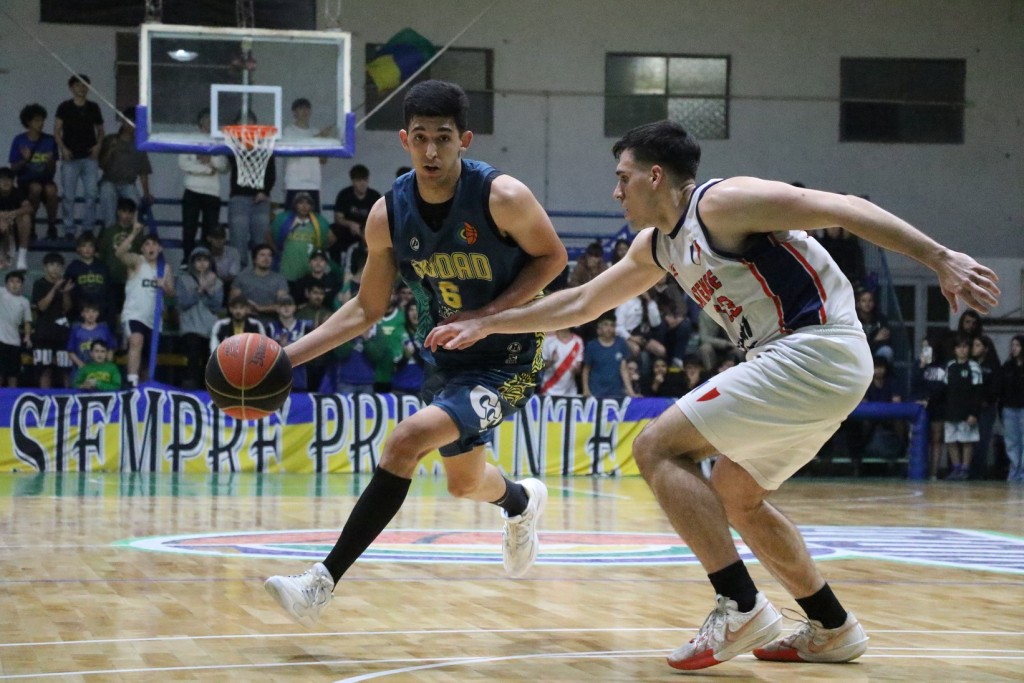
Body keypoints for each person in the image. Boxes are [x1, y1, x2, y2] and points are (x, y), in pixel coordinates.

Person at [426, 119, 1000, 670]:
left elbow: (842, 208)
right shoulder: (658, 245)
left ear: (655, 177)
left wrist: (940, 257)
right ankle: (832, 626)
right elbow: (582, 304)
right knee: (736, 492)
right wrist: (489, 321)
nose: (615, 191)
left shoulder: (723, 203)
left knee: (655, 448)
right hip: (809, 364)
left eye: (623, 178)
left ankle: (741, 605)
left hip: (814, 346)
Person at [263, 80, 567, 627]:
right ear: (404, 140)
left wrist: (487, 317)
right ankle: (521, 503)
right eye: (421, 138)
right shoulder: (387, 214)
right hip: (449, 361)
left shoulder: (503, 197)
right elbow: (365, 309)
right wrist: (286, 359)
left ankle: (320, 582)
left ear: (464, 140)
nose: (431, 151)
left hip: (510, 359)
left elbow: (552, 258)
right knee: (464, 483)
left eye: (443, 138)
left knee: (405, 440)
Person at [117, 227, 174, 387]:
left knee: (150, 354)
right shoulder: (137, 261)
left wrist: (164, 286)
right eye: (147, 244)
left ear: (160, 248)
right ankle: (132, 381)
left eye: (154, 244)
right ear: (142, 248)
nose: (151, 247)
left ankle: (146, 384)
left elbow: (170, 293)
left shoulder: (165, 268)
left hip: (154, 318)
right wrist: (134, 233)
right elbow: (119, 254)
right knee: (136, 341)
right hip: (134, 314)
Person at [54, 74, 104, 238]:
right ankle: (69, 229)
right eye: (78, 85)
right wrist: (63, 149)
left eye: (84, 85)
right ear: (71, 88)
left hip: (89, 157)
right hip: (70, 157)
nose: (81, 88)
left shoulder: (94, 107)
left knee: (91, 194)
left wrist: (98, 145)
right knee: (68, 196)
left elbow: (101, 130)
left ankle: (88, 228)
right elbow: (56, 131)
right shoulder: (64, 107)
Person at [178, 109, 228, 261]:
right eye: (206, 119)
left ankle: (205, 261)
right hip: (192, 190)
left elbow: (224, 165)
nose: (209, 122)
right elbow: (183, 164)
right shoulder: (190, 138)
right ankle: (187, 260)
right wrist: (208, 169)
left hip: (212, 192)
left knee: (210, 231)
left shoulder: (220, 141)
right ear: (200, 122)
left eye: (212, 120)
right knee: (189, 229)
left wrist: (211, 160)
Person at [227, 120, 276, 268]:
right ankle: (239, 281)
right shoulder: (234, 147)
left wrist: (265, 191)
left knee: (261, 243)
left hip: (261, 200)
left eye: (251, 124)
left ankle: (260, 277)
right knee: (238, 241)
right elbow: (230, 158)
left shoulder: (265, 147)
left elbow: (271, 173)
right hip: (239, 197)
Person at [8, 103, 60, 240]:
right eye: (37, 120)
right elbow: (13, 169)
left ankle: (51, 226)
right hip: (25, 182)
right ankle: (31, 226)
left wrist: (50, 162)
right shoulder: (19, 140)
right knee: (35, 188)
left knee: (51, 190)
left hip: (46, 180)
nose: (41, 123)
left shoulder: (49, 140)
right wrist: (25, 160)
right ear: (28, 122)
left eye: (42, 120)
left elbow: (52, 172)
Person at [175, 246, 223, 389]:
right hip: (190, 326)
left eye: (205, 260)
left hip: (209, 328)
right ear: (192, 262)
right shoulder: (183, 280)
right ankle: (190, 388)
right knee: (193, 356)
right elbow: (183, 303)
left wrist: (207, 290)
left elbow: (216, 306)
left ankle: (206, 389)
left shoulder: (218, 282)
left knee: (208, 358)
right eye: (198, 260)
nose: (202, 263)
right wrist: (200, 290)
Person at [97, 108, 153, 228]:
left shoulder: (140, 144)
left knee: (136, 204)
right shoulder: (110, 139)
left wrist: (146, 193)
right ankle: (110, 231)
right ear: (122, 121)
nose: (130, 125)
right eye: (128, 121)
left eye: (134, 122)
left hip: (128, 184)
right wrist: (110, 151)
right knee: (107, 195)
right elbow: (101, 165)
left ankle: (131, 235)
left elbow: (144, 172)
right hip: (108, 182)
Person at [267, 191, 334, 283]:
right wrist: (276, 250)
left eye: (308, 203)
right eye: (301, 202)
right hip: (286, 268)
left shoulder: (319, 222)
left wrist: (319, 250)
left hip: (309, 272)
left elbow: (332, 238)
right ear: (295, 205)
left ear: (312, 206)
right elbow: (268, 235)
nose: (304, 206)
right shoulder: (283, 219)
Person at [96, 197, 145, 320]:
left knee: (129, 316)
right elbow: (101, 255)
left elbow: (142, 256)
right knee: (110, 315)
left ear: (134, 214)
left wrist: (136, 231)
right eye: (124, 211)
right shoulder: (108, 231)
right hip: (111, 281)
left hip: (131, 282)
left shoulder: (139, 233)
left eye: (130, 212)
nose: (127, 215)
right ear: (118, 212)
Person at [30, 252, 73, 388]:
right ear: (45, 267)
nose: (55, 268)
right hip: (44, 333)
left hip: (62, 333)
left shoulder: (65, 284)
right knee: (44, 369)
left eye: (58, 266)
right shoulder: (39, 284)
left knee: (65, 369)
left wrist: (65, 292)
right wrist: (55, 288)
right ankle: (44, 399)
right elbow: (42, 306)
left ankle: (68, 398)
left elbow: (66, 309)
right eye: (51, 265)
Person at [943, 334, 984, 480]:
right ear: (955, 349)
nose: (962, 350)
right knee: (951, 440)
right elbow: (945, 389)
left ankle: (965, 469)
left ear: (969, 349)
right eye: (959, 347)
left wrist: (974, 413)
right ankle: (956, 468)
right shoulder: (950, 366)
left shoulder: (974, 367)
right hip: (951, 411)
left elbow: (978, 392)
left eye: (965, 347)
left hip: (967, 412)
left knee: (967, 440)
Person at [282, 97, 330, 211]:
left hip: (313, 183)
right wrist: (318, 138)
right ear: (294, 112)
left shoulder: (315, 131)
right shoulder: (288, 130)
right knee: (291, 218)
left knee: (314, 220)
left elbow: (323, 161)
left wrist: (324, 142)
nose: (304, 112)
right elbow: (296, 148)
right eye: (301, 109)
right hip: (294, 182)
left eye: (307, 109)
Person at [330, 163, 381, 267]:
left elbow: (380, 220)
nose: (362, 184)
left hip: (368, 229)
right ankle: (334, 267)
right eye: (359, 180)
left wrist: (365, 230)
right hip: (348, 229)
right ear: (353, 181)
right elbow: (338, 218)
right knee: (331, 234)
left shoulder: (374, 196)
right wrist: (350, 224)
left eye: (365, 180)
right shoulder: (344, 194)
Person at [229, 244, 289, 324]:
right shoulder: (241, 278)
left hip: (272, 323)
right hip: (245, 322)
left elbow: (283, 305)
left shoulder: (279, 279)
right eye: (262, 255)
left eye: (269, 255)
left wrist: (260, 308)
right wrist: (246, 309)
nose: (266, 258)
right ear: (254, 259)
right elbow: (233, 301)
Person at [581, 315, 633, 399]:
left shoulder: (621, 343)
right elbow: (586, 369)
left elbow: (623, 370)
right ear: (599, 328)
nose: (609, 328)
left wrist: (631, 392)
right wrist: (586, 390)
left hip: (616, 393)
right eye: (606, 324)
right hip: (595, 392)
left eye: (612, 325)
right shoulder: (591, 346)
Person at [267, 295, 310, 391]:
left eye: (289, 305)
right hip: (277, 378)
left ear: (294, 308)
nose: (286, 308)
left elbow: (310, 350)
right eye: (283, 305)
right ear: (277, 309)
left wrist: (290, 346)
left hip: (299, 378)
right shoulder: (270, 328)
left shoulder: (303, 327)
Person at [66, 302, 117, 378]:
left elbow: (111, 348)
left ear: (98, 313)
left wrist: (107, 365)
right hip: (81, 370)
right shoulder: (76, 329)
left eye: (94, 311)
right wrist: (81, 365)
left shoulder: (104, 329)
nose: (91, 314)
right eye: (87, 311)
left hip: (101, 370)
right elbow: (70, 351)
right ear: (82, 314)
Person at [998, 335, 1024, 482]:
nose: (1014, 348)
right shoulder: (1007, 366)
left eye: (1018, 345)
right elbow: (1002, 389)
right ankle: (1014, 472)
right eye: (1013, 345)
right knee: (1012, 442)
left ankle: (1023, 473)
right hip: (1009, 408)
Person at [0, 270, 32, 387]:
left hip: (15, 342)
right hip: (0, 340)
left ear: (22, 285)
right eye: (11, 281)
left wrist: (27, 337)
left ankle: (12, 399)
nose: (14, 284)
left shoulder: (24, 301)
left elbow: (27, 321)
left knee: (13, 373)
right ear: (6, 284)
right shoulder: (2, 293)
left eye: (18, 282)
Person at [0, 167, 33, 270]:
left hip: (16, 229)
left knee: (26, 218)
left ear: (13, 181)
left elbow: (29, 208)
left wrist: (12, 213)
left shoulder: (18, 192)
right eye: (2, 179)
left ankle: (21, 258)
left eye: (8, 179)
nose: (5, 182)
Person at [539, 327, 583, 396]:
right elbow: (539, 366)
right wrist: (552, 362)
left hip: (570, 391)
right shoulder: (547, 340)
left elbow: (579, 368)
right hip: (549, 389)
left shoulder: (578, 341)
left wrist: (576, 370)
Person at [855, 288, 894, 361]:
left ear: (874, 303)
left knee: (887, 351)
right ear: (858, 303)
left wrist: (870, 343)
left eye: (870, 300)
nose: (867, 304)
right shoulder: (853, 320)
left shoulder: (881, 319)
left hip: (876, 351)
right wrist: (876, 340)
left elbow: (885, 341)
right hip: (858, 352)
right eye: (863, 301)